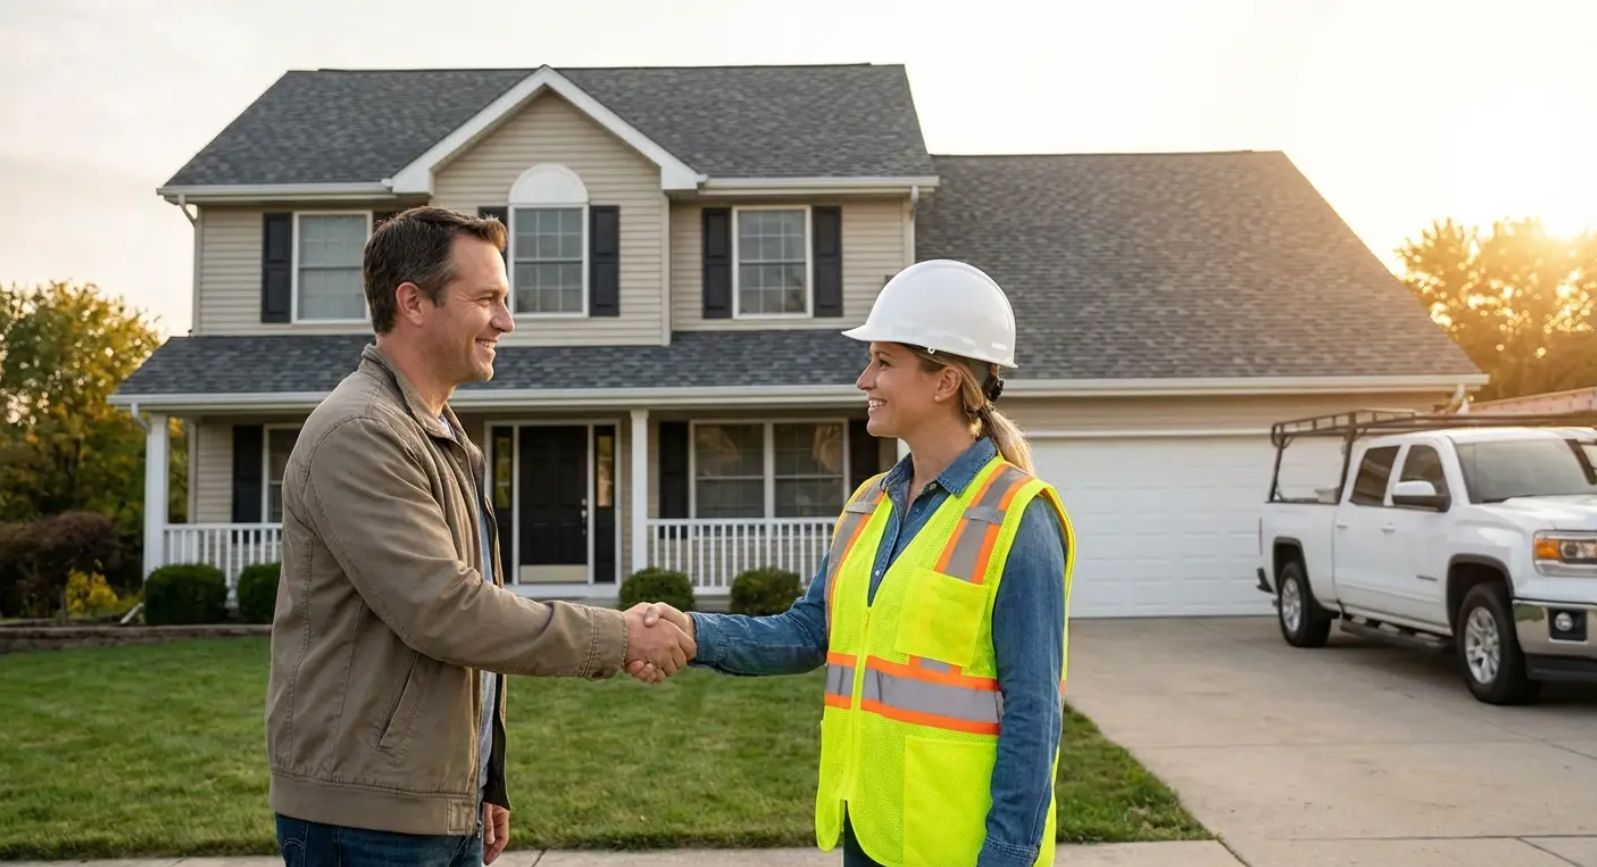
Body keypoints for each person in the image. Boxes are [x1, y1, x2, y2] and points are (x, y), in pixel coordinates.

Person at [265, 205, 693, 867]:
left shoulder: (437, 435)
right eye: (487, 298)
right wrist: (619, 635)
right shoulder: (361, 432)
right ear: (413, 301)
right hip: (366, 818)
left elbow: (465, 627)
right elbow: (446, 609)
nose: (505, 320)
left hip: (429, 798)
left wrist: (482, 778)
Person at [635, 259, 1077, 867]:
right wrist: (694, 631)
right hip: (869, 831)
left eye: (883, 362)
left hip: (960, 849)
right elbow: (808, 631)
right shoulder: (870, 504)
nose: (863, 379)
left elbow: (1034, 711)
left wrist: (1006, 855)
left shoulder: (1018, 515)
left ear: (945, 380)